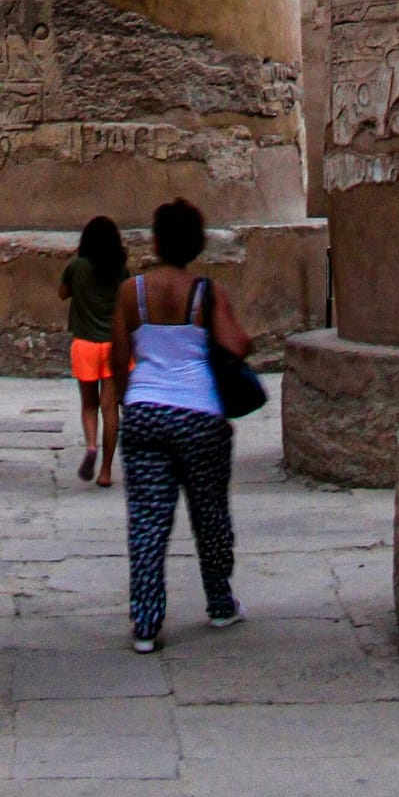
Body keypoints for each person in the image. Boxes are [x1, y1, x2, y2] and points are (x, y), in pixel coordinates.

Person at [110, 197, 250, 650]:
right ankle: (219, 601)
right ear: (197, 243)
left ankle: (146, 622)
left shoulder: (131, 293)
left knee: (148, 522)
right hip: (200, 415)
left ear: (155, 241)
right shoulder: (207, 293)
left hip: (146, 410)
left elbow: (118, 357)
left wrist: (128, 397)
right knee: (209, 516)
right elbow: (237, 345)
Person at [60, 215, 126, 485]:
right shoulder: (120, 270)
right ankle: (106, 471)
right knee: (110, 408)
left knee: (89, 404)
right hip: (113, 345)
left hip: (85, 343)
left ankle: (90, 446)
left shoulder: (76, 267)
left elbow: (63, 293)